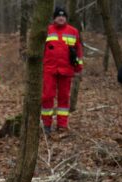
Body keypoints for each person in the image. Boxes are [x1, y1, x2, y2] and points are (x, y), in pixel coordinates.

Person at [41, 7, 83, 135]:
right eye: (58, 16)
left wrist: (78, 67)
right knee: (47, 96)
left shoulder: (73, 31)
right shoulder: (46, 30)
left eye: (63, 16)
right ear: (54, 18)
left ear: (66, 18)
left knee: (64, 98)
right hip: (49, 69)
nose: (61, 18)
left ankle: (62, 125)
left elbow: (78, 50)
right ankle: (46, 124)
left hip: (66, 69)